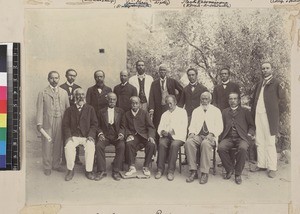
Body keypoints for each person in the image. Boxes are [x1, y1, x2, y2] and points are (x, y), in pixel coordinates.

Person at [250, 62, 285, 178]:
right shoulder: (259, 84)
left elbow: (283, 101)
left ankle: (272, 167)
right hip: (258, 115)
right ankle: (261, 164)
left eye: (267, 68)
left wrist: (275, 113)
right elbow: (255, 100)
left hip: (270, 117)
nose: (265, 70)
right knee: (259, 140)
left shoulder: (277, 83)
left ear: (272, 69)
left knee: (270, 141)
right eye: (263, 68)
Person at [36, 71, 70, 176]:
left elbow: (68, 109)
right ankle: (47, 166)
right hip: (47, 121)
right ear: (48, 79)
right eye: (52, 78)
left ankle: (55, 164)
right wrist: (39, 123)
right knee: (47, 144)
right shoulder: (43, 92)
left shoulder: (64, 92)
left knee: (58, 143)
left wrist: (68, 123)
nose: (54, 80)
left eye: (56, 78)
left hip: (60, 120)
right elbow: (39, 109)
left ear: (59, 79)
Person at [185, 92, 223, 184]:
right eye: (202, 99)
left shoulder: (216, 111)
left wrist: (212, 134)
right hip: (198, 136)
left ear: (210, 100)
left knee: (205, 144)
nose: (204, 101)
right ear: (200, 100)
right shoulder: (196, 111)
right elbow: (192, 125)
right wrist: (191, 133)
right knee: (188, 143)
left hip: (211, 136)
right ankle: (193, 171)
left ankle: (204, 172)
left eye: (206, 99)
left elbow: (220, 126)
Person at [218, 92, 255, 184]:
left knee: (242, 148)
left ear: (239, 101)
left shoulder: (245, 111)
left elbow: (252, 126)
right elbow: (220, 126)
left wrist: (250, 134)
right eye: (231, 99)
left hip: (241, 137)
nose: (233, 101)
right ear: (228, 101)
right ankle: (229, 169)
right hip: (228, 137)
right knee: (221, 148)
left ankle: (238, 173)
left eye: (235, 99)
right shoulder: (224, 112)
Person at [62, 88, 98, 181]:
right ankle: (70, 170)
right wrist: (68, 137)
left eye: (82, 95)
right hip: (73, 136)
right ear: (75, 96)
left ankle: (89, 171)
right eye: (78, 95)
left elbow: (94, 124)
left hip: (86, 136)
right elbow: (65, 125)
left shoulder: (90, 109)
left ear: (85, 96)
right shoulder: (69, 110)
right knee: (68, 147)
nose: (80, 97)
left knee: (90, 146)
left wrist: (90, 135)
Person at [155, 95, 187, 181]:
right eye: (167, 104)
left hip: (178, 136)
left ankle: (170, 171)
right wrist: (162, 132)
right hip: (166, 136)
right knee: (161, 143)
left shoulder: (182, 112)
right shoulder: (164, 114)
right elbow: (160, 127)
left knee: (174, 145)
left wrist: (172, 132)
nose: (169, 105)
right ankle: (160, 169)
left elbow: (184, 126)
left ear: (175, 102)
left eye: (171, 103)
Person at [122, 96, 156, 176]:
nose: (134, 105)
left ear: (140, 105)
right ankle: (132, 167)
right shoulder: (126, 114)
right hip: (133, 136)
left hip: (144, 135)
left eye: (136, 103)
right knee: (129, 143)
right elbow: (124, 127)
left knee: (151, 144)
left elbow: (151, 127)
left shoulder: (144, 113)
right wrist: (128, 135)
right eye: (132, 103)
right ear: (130, 104)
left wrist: (150, 136)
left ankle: (146, 166)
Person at [95, 92, 125, 181]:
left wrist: (121, 133)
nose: (112, 101)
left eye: (114, 99)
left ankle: (116, 170)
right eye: (110, 99)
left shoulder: (121, 111)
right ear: (107, 100)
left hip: (116, 135)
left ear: (116, 100)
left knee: (121, 145)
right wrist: (100, 134)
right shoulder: (101, 111)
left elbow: (123, 126)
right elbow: (97, 125)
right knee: (99, 145)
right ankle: (101, 171)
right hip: (105, 135)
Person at [149, 64, 183, 132]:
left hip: (169, 106)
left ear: (166, 71)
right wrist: (151, 108)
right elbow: (151, 96)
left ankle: (170, 138)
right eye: (161, 70)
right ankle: (158, 139)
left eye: (164, 70)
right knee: (158, 123)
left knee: (170, 122)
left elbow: (182, 90)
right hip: (158, 107)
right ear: (159, 71)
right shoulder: (154, 83)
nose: (162, 71)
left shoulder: (172, 81)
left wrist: (177, 102)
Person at [60, 68, 82, 165]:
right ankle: (65, 159)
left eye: (74, 75)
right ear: (66, 75)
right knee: (66, 136)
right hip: (64, 114)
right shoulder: (61, 87)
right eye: (70, 75)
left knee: (75, 135)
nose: (71, 77)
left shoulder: (78, 87)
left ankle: (76, 158)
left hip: (75, 115)